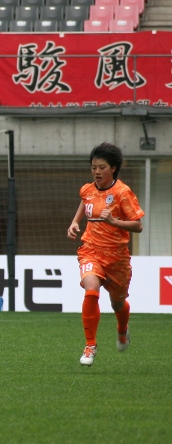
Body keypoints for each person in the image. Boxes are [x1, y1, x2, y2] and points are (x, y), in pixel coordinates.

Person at [67, 142, 144, 367]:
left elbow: (138, 226)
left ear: (113, 168)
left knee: (117, 303)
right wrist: (74, 222)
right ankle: (90, 345)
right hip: (91, 249)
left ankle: (122, 330)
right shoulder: (88, 189)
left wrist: (114, 221)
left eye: (101, 167)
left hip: (117, 256)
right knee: (91, 289)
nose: (96, 172)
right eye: (93, 167)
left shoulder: (123, 192)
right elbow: (85, 200)